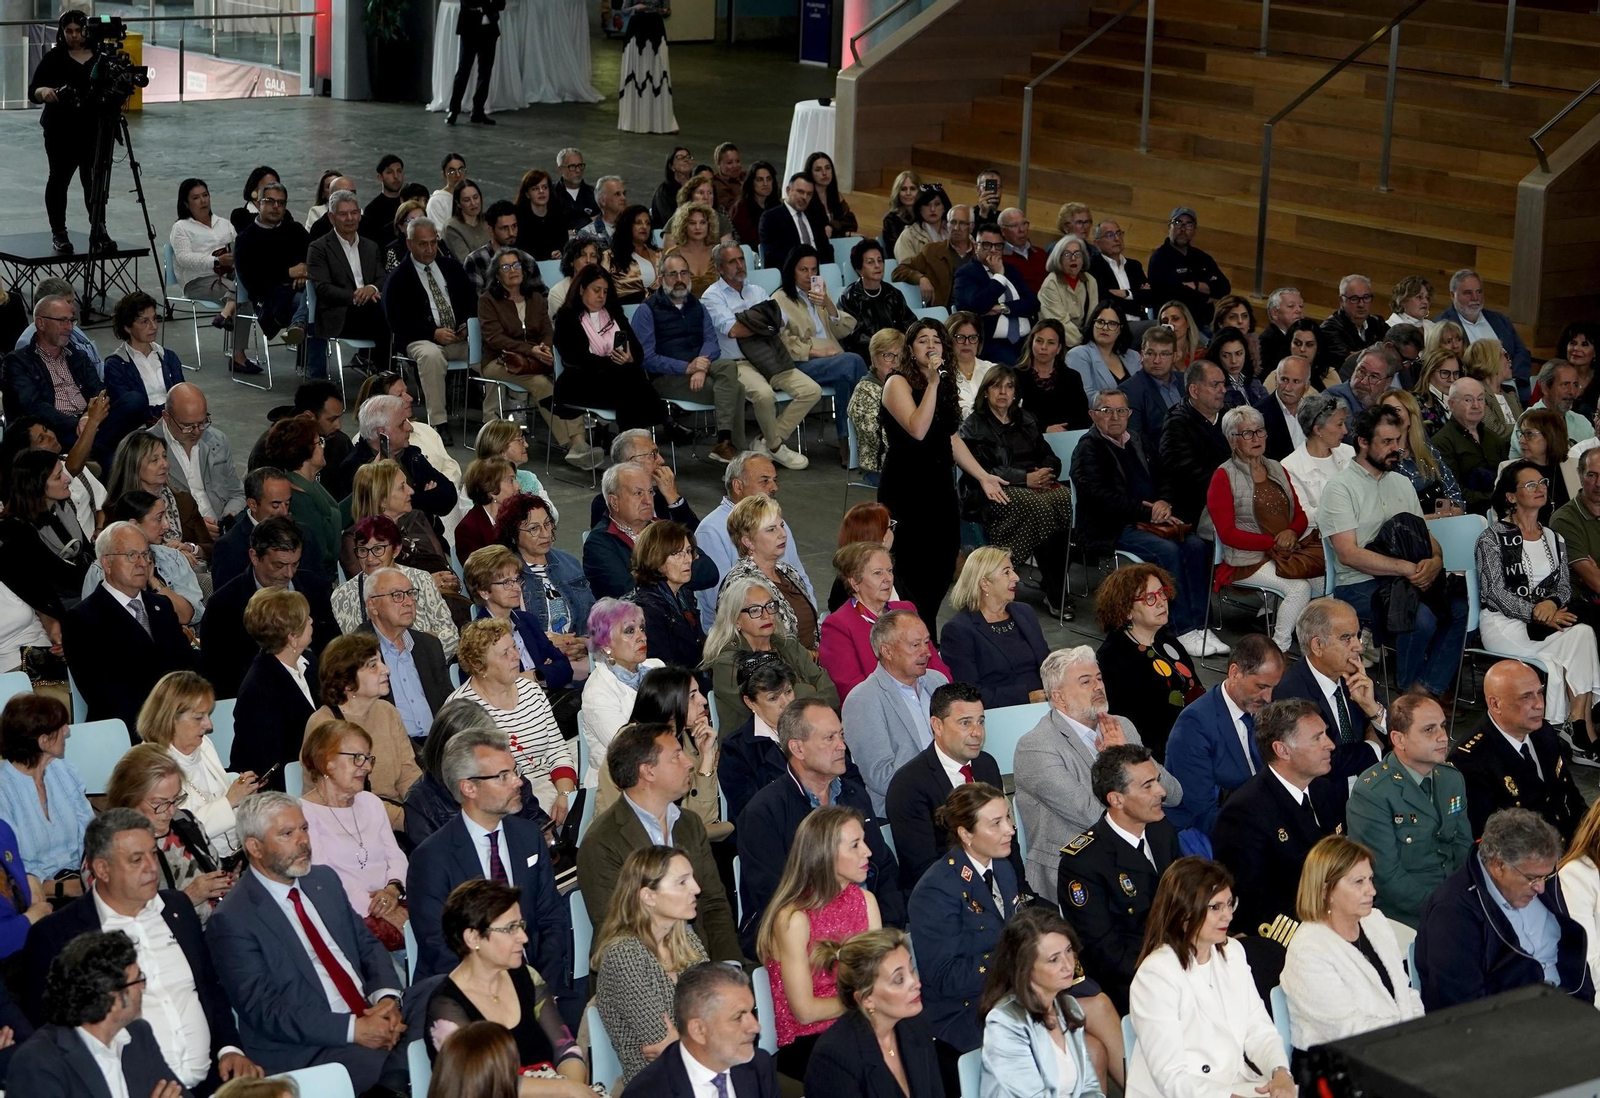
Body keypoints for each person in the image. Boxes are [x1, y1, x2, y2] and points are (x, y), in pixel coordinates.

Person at [21, 809, 260, 1090]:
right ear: (102, 869)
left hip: (213, 1081)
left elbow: (209, 987)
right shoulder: (58, 935)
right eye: (136, 859)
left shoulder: (177, 909)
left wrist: (229, 1049)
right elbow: (54, 1034)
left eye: (153, 853)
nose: (151, 867)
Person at [206, 792, 407, 1091]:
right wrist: (355, 1030)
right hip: (314, 1046)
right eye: (287, 834)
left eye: (304, 828)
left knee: (444, 1005)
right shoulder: (233, 919)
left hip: (369, 1013)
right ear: (255, 847)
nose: (303, 841)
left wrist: (387, 1001)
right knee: (401, 1067)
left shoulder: (322, 880)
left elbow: (366, 946)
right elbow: (267, 1011)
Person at [1320, 405, 1467, 697]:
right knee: (1419, 617)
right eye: (1387, 441)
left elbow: (1425, 536)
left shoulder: (1401, 483)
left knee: (1462, 606)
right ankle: (1406, 694)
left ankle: (1424, 688)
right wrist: (1406, 568)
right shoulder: (1339, 488)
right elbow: (1348, 554)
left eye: (1398, 440)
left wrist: (1436, 560)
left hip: (1406, 578)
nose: (1396, 448)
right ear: (1363, 442)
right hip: (1359, 583)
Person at [406, 723, 569, 986]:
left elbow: (551, 918)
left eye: (514, 771)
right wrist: (504, 994)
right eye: (503, 776)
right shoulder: (431, 859)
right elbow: (440, 948)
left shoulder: (528, 836)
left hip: (537, 982)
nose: (518, 782)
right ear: (469, 788)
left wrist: (542, 986)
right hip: (469, 993)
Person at [1015, 647, 1182, 903]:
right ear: (1059, 698)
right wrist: (1118, 761)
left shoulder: (1121, 726)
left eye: (1099, 678)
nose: (1098, 687)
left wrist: (1128, 752)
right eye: (1085, 681)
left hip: (1139, 853)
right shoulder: (1036, 747)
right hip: (1077, 871)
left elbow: (1173, 794)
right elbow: (1091, 815)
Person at [735, 699, 904, 950]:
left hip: (871, 931)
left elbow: (884, 868)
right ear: (798, 748)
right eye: (829, 738)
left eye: (841, 735)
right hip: (804, 943)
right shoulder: (764, 813)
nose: (842, 746)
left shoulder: (854, 795)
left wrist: (885, 930)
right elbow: (776, 897)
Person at [880, 319, 1010, 639]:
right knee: (913, 568)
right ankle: (917, 638)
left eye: (936, 340)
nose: (930, 346)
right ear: (910, 349)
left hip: (939, 486)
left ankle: (926, 633)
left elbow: (950, 438)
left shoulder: (943, 382)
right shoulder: (897, 382)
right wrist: (934, 384)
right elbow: (918, 428)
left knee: (942, 564)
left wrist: (982, 476)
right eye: (923, 340)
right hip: (906, 488)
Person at [1070, 387, 1221, 657]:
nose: (1115, 417)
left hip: (1151, 521)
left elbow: (1167, 476)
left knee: (1196, 546)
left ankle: (1202, 625)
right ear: (1092, 415)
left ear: (1129, 413)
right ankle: (1181, 629)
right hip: (1112, 526)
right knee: (1168, 552)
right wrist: (1146, 512)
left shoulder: (1139, 440)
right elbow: (1099, 496)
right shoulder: (1088, 448)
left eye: (1121, 410)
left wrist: (1164, 502)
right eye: (1106, 411)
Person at [576, 722, 742, 963]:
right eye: (676, 756)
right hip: (641, 972)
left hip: (702, 962)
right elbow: (619, 932)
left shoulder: (689, 823)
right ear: (648, 772)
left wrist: (729, 965)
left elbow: (714, 904)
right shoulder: (602, 842)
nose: (689, 763)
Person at [1124, 857, 1289, 1098]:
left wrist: (1280, 1072)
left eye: (1230, 904)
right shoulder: (1155, 974)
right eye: (1215, 907)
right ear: (1184, 913)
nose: (1228, 916)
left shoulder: (1233, 952)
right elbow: (1172, 1079)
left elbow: (1259, 1031)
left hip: (1234, 1086)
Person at [752, 805, 884, 1078]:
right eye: (855, 845)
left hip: (858, 1026)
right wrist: (866, 1001)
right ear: (825, 855)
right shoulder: (795, 919)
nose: (867, 851)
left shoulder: (865, 901)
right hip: (808, 1042)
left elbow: (877, 977)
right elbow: (805, 1012)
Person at [1416, 807, 1592, 1009]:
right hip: (1512, 1018)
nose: (1541, 888)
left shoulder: (1541, 875)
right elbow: (1464, 1007)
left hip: (1568, 1005)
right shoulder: (1452, 911)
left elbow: (1574, 952)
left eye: (1546, 877)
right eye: (1532, 878)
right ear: (1499, 865)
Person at [1475, 461, 1600, 742]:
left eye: (1542, 483)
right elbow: (1494, 592)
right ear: (1511, 496)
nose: (1540, 488)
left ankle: (1579, 725)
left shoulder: (1553, 537)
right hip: (1504, 624)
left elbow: (1564, 585)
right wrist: (1535, 612)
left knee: (1582, 633)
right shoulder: (1492, 538)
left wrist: (1552, 604)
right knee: (1577, 640)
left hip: (1545, 620)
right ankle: (1582, 732)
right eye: (1530, 485)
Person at [909, 781, 1028, 1072]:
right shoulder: (936, 890)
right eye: (996, 823)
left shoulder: (1002, 867)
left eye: (1008, 817)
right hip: (965, 1007)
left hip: (1011, 990)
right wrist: (1013, 962)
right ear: (965, 834)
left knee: (1089, 1013)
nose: (1010, 830)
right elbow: (945, 976)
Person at [424, 879, 586, 1089]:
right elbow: (483, 1084)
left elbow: (565, 1049)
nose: (524, 937)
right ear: (473, 938)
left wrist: (573, 1089)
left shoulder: (527, 977)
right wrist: (565, 1090)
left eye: (521, 925)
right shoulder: (446, 1006)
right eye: (511, 928)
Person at [1059, 744, 1181, 1015]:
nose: (1161, 791)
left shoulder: (1161, 830)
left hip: (1178, 961)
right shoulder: (1083, 862)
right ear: (1116, 799)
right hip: (1132, 984)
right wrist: (1169, 971)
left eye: (1158, 781)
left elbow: (1185, 901)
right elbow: (1105, 952)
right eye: (1148, 785)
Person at [1212, 698, 1341, 950]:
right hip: (1291, 941)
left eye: (1325, 734)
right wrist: (1318, 937)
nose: (1330, 745)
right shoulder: (1244, 814)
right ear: (1283, 750)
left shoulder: (1323, 790)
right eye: (1317, 738)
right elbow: (1253, 905)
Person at [1277, 835, 1424, 1049]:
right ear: (1326, 891)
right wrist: (1407, 1042)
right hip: (1340, 1059)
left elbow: (1405, 993)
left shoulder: (1375, 921)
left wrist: (1420, 1033)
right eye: (1359, 882)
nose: (1372, 890)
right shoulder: (1308, 950)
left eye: (1370, 879)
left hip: (1393, 1045)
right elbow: (1346, 1029)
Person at [7, 929, 191, 1098]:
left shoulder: (138, 1034)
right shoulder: (38, 1063)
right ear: (113, 997)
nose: (143, 987)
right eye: (138, 980)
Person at [1344, 691, 1471, 929]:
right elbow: (1386, 877)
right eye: (1429, 730)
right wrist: (1443, 907)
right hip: (1404, 915)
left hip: (1455, 898)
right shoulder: (1373, 793)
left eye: (1443, 726)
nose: (1443, 737)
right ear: (1399, 739)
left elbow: (1463, 845)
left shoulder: (1451, 779)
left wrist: (1466, 895)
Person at [884, 681, 1024, 885]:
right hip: (948, 894)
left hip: (1000, 885)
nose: (977, 732)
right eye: (965, 723)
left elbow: (1008, 840)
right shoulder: (908, 784)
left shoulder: (986, 765)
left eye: (981, 721)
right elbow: (923, 867)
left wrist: (1020, 891)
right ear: (937, 726)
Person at [959, 370, 1075, 616]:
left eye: (1009, 386)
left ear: (1015, 392)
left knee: (1066, 498)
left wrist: (1047, 471)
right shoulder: (974, 425)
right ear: (986, 391)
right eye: (996, 386)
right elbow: (981, 469)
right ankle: (1055, 591)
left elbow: (1048, 454)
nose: (1003, 392)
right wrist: (1024, 479)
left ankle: (1046, 584)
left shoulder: (1026, 419)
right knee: (1042, 507)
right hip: (992, 492)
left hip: (1034, 487)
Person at [64, 522, 199, 730]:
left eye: (146, 554)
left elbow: (186, 664)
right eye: (131, 555)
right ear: (107, 563)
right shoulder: (83, 618)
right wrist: (163, 718)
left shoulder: (161, 606)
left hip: (176, 721)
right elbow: (101, 693)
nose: (142, 563)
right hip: (125, 730)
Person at [593, 846, 709, 1085]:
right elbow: (662, 1042)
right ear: (649, 897)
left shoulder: (687, 941)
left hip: (700, 1076)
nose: (696, 889)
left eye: (692, 878)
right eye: (682, 882)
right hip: (657, 1085)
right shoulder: (624, 955)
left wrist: (683, 1043)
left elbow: (718, 1015)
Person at [700, 242, 819, 471]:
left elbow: (781, 321)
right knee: (764, 395)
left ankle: (767, 442)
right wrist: (764, 323)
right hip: (738, 363)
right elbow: (734, 330)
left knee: (811, 390)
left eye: (741, 259)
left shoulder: (757, 291)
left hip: (768, 357)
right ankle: (776, 447)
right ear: (720, 268)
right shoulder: (711, 297)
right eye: (732, 261)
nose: (739, 265)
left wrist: (751, 320)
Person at [1204, 405, 1314, 650]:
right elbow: (1227, 534)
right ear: (1232, 441)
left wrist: (1292, 532)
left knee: (1326, 583)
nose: (1256, 438)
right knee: (1299, 588)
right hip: (1247, 560)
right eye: (1247, 433)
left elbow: (1300, 514)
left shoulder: (1276, 467)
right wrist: (1274, 542)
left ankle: (1319, 647)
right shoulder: (1223, 476)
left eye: (1259, 431)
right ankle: (1278, 649)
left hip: (1287, 553)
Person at [201, 516, 338, 702]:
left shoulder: (315, 589)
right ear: (254, 557)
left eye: (295, 564)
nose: (289, 574)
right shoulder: (224, 605)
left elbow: (333, 648)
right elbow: (218, 676)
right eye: (279, 565)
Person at [1160, 634, 1281, 840]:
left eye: (1273, 687)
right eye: (1261, 687)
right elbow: (1202, 811)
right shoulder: (1194, 725)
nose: (1268, 697)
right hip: (1210, 834)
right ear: (1235, 673)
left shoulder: (1263, 710)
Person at [1450, 659, 1588, 841]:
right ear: (1495, 704)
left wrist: (1591, 835)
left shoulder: (1543, 733)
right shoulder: (1471, 760)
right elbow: (1488, 840)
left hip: (1570, 842)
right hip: (1528, 853)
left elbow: (1570, 795)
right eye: (1526, 697)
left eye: (1540, 693)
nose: (1539, 704)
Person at [450, 617, 575, 818]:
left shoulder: (531, 690)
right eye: (505, 653)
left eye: (515, 647)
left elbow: (557, 750)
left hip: (551, 786)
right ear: (480, 666)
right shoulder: (463, 711)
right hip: (507, 804)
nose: (516, 656)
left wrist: (565, 795)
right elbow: (473, 783)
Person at [979, 907, 1107, 1098]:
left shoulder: (1069, 1007)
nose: (1068, 965)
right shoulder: (1004, 1022)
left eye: (1068, 951)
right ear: (1026, 968)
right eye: (1054, 959)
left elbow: (1089, 1087)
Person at [803, 929, 944, 1098]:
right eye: (899, 979)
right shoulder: (834, 1058)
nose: (916, 983)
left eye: (911, 969)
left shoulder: (916, 1024)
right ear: (866, 999)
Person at [4, 293, 140, 467]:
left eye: (71, 321)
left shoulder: (77, 355)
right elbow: (35, 407)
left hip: (90, 420)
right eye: (62, 321)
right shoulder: (17, 362)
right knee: (109, 455)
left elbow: (99, 390)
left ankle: (93, 447)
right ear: (41, 323)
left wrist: (87, 418)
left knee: (134, 400)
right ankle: (97, 447)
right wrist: (79, 424)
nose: (69, 327)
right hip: (57, 429)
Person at [633, 253, 745, 462]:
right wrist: (686, 367)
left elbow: (711, 341)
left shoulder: (697, 306)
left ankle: (726, 444)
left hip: (700, 368)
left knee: (728, 366)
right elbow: (646, 358)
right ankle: (731, 447)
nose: (679, 279)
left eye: (684, 273)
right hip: (667, 378)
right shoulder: (647, 310)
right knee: (737, 389)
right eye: (673, 274)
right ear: (661, 278)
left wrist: (700, 367)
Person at [841, 610, 953, 816]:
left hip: (953, 796)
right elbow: (880, 776)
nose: (927, 652)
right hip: (906, 809)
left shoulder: (937, 681)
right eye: (915, 645)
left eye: (926, 642)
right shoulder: (863, 700)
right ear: (887, 651)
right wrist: (940, 788)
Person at [305, 635, 423, 830]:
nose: (386, 670)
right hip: (348, 825)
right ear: (347, 681)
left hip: (397, 818)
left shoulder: (388, 712)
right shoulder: (324, 725)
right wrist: (409, 821)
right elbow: (346, 799)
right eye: (373, 665)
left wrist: (425, 809)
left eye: (381, 662)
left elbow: (408, 772)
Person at [137, 670, 257, 858]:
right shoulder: (150, 764)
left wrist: (244, 796)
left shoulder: (203, 744)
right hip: (193, 860)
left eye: (207, 715)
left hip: (235, 851)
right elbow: (175, 831)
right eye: (198, 717)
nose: (209, 726)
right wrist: (230, 801)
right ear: (170, 719)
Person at [1093, 564, 1204, 764]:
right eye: (1149, 598)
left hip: (1192, 736)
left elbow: (1195, 688)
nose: (1161, 602)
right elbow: (1133, 727)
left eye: (1162, 593)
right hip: (1156, 754)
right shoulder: (1113, 658)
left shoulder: (1166, 639)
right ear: (1127, 611)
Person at [626, 960, 782, 1098]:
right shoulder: (647, 1092)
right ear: (699, 1030)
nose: (755, 1027)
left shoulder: (758, 1064)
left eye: (751, 1012)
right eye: (737, 1018)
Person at [820, 541, 949, 703]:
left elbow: (934, 663)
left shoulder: (906, 610)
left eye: (889, 571)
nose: (888, 579)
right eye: (878, 573)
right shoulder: (838, 625)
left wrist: (941, 700)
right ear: (854, 582)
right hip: (879, 709)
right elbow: (851, 689)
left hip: (927, 701)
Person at [706, 576, 838, 733]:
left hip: (807, 733)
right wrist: (808, 690)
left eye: (770, 606)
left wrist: (803, 696)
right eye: (754, 610)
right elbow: (767, 711)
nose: (766, 615)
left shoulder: (788, 645)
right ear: (736, 620)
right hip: (753, 742)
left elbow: (829, 688)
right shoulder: (727, 663)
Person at [769, 245, 868, 453]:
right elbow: (781, 342)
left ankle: (847, 442)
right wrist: (814, 352)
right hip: (801, 362)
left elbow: (844, 330)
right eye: (803, 270)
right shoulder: (780, 299)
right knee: (854, 361)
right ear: (792, 271)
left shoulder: (819, 294)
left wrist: (829, 304)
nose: (809, 275)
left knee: (844, 378)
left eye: (813, 270)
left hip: (832, 360)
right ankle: (868, 432)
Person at [694, 451, 809, 629]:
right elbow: (722, 601)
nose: (774, 487)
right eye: (764, 481)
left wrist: (810, 621)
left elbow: (801, 579)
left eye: (774, 480)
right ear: (738, 486)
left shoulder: (777, 522)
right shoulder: (711, 530)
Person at [553, 264, 669, 432]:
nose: (601, 296)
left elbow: (637, 351)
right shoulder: (567, 318)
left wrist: (630, 358)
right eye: (596, 290)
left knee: (629, 385)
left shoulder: (614, 314)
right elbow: (576, 358)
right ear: (581, 290)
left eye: (605, 291)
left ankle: (630, 438)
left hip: (618, 381)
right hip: (580, 383)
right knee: (631, 380)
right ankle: (664, 422)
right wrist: (615, 363)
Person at [229, 587, 320, 791]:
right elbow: (269, 763)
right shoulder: (258, 690)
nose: (312, 620)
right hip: (280, 790)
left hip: (314, 777)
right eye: (306, 619)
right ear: (292, 637)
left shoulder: (310, 662)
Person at [0, 692, 91, 894]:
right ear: (43, 741)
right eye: (61, 727)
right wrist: (62, 888)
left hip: (78, 878)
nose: (67, 731)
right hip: (34, 894)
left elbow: (89, 832)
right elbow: (10, 869)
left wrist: (90, 875)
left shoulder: (64, 770)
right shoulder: (4, 791)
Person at [332, 516, 460, 659]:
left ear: (396, 550)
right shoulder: (343, 595)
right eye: (363, 550)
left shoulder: (421, 579)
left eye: (378, 549)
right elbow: (352, 652)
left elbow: (451, 635)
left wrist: (416, 652)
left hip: (423, 665)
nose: (369, 558)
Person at [939, 548, 1050, 706]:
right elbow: (969, 694)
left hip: (1046, 703)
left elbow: (1047, 662)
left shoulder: (1024, 612)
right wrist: (1027, 697)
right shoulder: (958, 630)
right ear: (985, 583)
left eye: (1013, 570)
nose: (1016, 577)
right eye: (1006, 572)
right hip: (1003, 712)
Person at [497, 493, 595, 670]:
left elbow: (593, 617)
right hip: (539, 665)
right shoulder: (506, 576)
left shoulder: (569, 564)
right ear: (513, 534)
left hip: (582, 658)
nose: (545, 533)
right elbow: (504, 629)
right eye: (534, 528)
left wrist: (584, 643)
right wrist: (545, 643)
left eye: (547, 523)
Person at [579, 596, 665, 791]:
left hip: (662, 768)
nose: (642, 637)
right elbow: (629, 750)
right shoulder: (597, 692)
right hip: (618, 785)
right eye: (629, 631)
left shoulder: (657, 668)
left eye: (642, 628)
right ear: (606, 645)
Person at [719, 494, 819, 652]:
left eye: (782, 525)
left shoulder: (787, 571)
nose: (783, 533)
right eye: (771, 529)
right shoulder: (740, 583)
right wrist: (805, 659)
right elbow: (745, 644)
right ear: (748, 541)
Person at [306, 189, 392, 371]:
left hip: (371, 307)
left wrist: (370, 288)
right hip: (339, 313)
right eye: (343, 214)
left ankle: (385, 373)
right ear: (331, 218)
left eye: (354, 213)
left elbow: (382, 277)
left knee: (391, 313)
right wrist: (355, 296)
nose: (350, 218)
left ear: (360, 215)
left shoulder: (370, 246)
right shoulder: (319, 248)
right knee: (385, 317)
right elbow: (322, 288)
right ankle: (386, 374)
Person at [258, 415, 340, 582]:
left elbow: (333, 515)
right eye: (319, 443)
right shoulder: (300, 502)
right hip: (322, 582)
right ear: (306, 452)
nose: (323, 447)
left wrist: (365, 491)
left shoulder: (308, 484)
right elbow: (322, 556)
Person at [952, 224, 1041, 365]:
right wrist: (999, 277)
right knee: (1016, 367)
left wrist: (1003, 307)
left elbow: (1033, 303)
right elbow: (976, 306)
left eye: (998, 246)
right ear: (976, 246)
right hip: (993, 343)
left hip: (1027, 339)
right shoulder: (966, 274)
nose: (993, 250)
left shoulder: (1011, 271)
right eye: (987, 245)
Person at [630, 522, 709, 676]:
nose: (688, 559)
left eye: (688, 551)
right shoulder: (646, 610)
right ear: (655, 558)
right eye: (677, 553)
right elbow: (662, 670)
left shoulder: (684, 594)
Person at [1158, 360, 1230, 528]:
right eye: (1215, 385)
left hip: (1233, 495)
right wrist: (1234, 485)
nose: (1223, 390)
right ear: (1194, 390)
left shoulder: (1229, 415)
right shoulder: (1176, 424)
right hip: (1197, 507)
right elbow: (1190, 475)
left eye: (1223, 384)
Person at [1435, 267, 1531, 389]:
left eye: (1479, 292)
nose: (1475, 298)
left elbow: (1522, 352)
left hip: (1511, 385)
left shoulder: (1499, 320)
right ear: (1452, 295)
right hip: (1473, 390)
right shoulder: (1442, 326)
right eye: (1468, 293)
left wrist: (1513, 378)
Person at [1380, 388, 1465, 514]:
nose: (1391, 416)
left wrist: (1451, 512)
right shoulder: (1378, 459)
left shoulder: (1428, 451)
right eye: (1386, 410)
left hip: (1443, 520)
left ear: (1410, 417)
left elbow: (1454, 493)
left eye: (1397, 410)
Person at [103, 292, 186, 421]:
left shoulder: (169, 357)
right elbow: (130, 411)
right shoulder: (116, 365)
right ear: (127, 327)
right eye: (144, 321)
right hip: (141, 426)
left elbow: (182, 396)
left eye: (155, 318)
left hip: (175, 421)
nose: (154, 326)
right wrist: (168, 412)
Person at [1433, 376, 1510, 514]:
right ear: (1451, 404)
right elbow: (1454, 492)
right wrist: (1497, 498)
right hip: (1468, 515)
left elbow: (1507, 479)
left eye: (1480, 399)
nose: (1476, 405)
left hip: (1501, 510)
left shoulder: (1494, 438)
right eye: (1468, 400)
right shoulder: (1441, 442)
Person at [1145, 207, 1230, 329]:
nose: (1183, 229)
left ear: (1194, 230)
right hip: (1173, 327)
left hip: (1205, 323)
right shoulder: (1160, 258)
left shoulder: (1201, 257)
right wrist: (1206, 294)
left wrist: (1195, 285)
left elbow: (1224, 287)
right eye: (1178, 223)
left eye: (1189, 224)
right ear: (1169, 226)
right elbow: (1169, 294)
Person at [1281, 391, 1353, 533]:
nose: (1345, 431)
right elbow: (1305, 516)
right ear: (1318, 429)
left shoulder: (1349, 452)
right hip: (1321, 537)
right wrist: (1346, 509)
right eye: (1339, 424)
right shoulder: (1290, 467)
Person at [839, 239, 917, 361]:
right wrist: (885, 346)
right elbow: (854, 337)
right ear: (859, 269)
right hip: (868, 356)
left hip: (898, 353)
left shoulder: (893, 294)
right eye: (870, 262)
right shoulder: (849, 298)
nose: (877, 265)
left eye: (880, 261)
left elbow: (910, 324)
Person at [892, 204, 976, 311]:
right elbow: (899, 271)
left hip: (974, 312)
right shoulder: (932, 251)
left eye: (962, 223)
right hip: (943, 312)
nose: (956, 228)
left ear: (971, 227)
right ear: (947, 225)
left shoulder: (979, 254)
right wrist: (920, 278)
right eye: (953, 222)